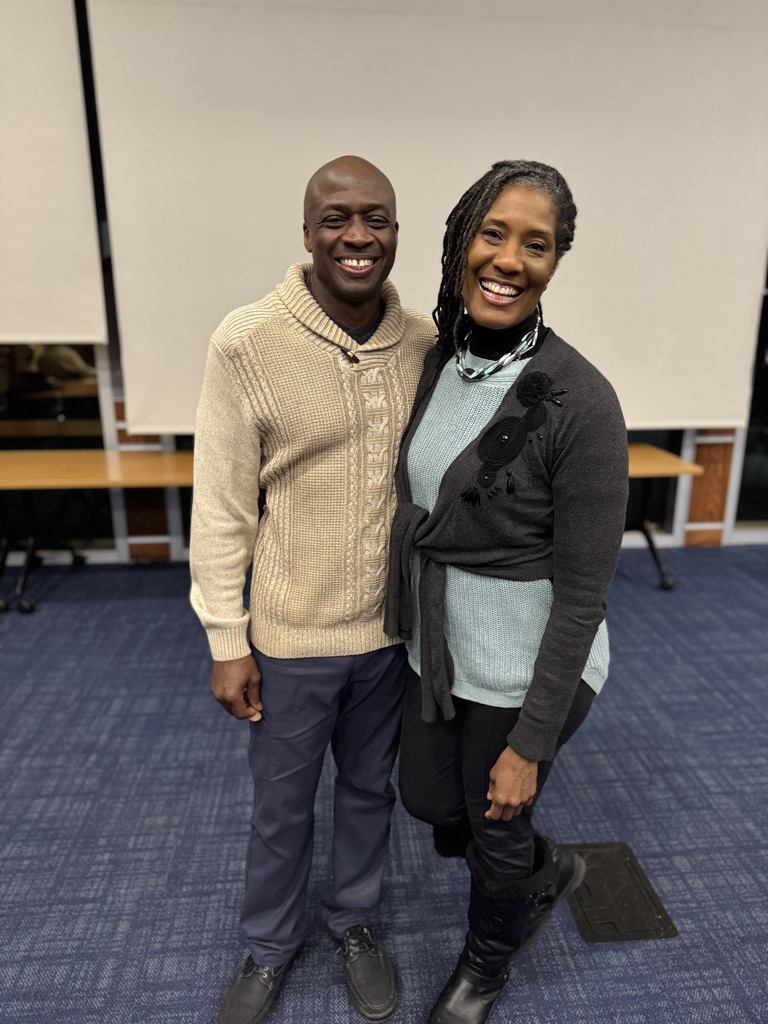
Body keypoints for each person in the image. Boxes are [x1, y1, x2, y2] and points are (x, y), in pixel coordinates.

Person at [190, 155, 435, 1024]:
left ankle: (355, 922)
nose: (358, 236)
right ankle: (268, 947)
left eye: (377, 218)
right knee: (281, 807)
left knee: (370, 793)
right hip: (291, 637)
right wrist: (228, 639)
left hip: (389, 636)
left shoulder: (425, 344)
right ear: (307, 234)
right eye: (337, 218)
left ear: (397, 233)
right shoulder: (247, 342)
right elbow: (221, 504)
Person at [384, 160, 628, 1024]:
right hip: (446, 639)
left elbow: (584, 594)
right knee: (427, 800)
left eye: (538, 245)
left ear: (555, 264)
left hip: (532, 654)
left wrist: (529, 744)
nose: (511, 260)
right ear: (462, 239)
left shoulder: (582, 403)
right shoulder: (442, 360)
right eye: (495, 234)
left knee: (493, 819)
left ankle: (486, 968)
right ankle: (548, 864)